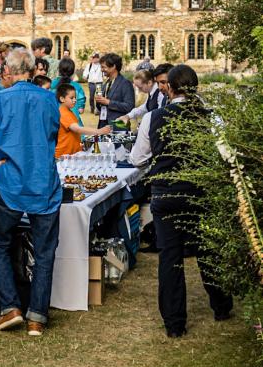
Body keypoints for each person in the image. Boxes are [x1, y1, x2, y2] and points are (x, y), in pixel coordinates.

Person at [130, 65, 233, 337]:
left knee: (170, 257)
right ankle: (221, 306)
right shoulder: (211, 117)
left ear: (170, 89)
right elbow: (226, 155)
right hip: (200, 192)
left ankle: (175, 324)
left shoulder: (153, 118)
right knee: (209, 251)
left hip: (166, 194)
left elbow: (137, 159)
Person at [0, 48, 61, 337]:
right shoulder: (47, 98)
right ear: (33, 70)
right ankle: (37, 316)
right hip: (43, 181)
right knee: (45, 252)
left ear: (7, 70)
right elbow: (52, 134)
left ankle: (10, 306)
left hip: (11, 182)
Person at [55, 84, 110, 157]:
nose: (75, 100)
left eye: (75, 97)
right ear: (62, 99)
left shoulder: (68, 111)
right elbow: (77, 129)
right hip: (64, 155)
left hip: (71, 154)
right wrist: (99, 131)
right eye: (71, 98)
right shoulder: (63, 113)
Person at [94, 53, 135, 129]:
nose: (101, 70)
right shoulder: (106, 83)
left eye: (103, 67)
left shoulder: (125, 83)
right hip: (103, 126)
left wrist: (108, 102)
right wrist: (99, 102)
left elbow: (129, 107)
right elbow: (101, 107)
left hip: (118, 127)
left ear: (113, 67)